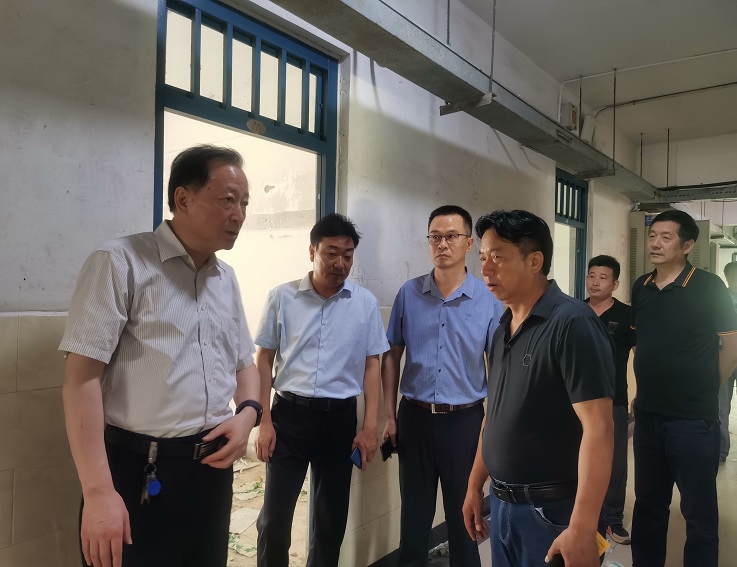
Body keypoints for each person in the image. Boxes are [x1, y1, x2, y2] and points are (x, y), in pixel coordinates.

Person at [59, 145, 262, 567]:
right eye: (228, 200)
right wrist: (98, 491)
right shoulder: (120, 263)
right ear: (183, 199)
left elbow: (244, 362)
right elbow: (81, 380)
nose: (239, 214)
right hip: (136, 471)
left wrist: (248, 414)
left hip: (211, 473)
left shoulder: (226, 279)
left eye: (244, 203)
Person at [463, 209, 615, 567]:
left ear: (535, 261)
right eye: (482, 258)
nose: (486, 270)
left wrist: (582, 526)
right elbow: (494, 414)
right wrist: (474, 485)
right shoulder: (502, 328)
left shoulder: (572, 323)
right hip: (502, 506)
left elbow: (600, 429)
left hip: (551, 512)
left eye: (498, 258)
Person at [254, 213, 389, 567]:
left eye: (348, 254)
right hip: (288, 418)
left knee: (330, 522)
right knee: (274, 522)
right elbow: (264, 360)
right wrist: (264, 421)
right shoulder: (282, 297)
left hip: (339, 420)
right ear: (312, 251)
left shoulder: (364, 303)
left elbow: (372, 365)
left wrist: (369, 427)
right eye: (332, 253)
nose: (340, 262)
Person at [382, 205, 504, 567]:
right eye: (435, 237)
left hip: (464, 422)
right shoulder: (408, 294)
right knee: (414, 516)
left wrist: (492, 423)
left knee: (465, 513)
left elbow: (499, 366)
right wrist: (389, 416)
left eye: (451, 236)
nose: (442, 244)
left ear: (468, 243)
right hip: (415, 418)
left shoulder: (488, 299)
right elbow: (392, 356)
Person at [630, 210, 737, 567]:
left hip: (692, 420)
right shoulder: (641, 286)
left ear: (687, 245)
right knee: (648, 506)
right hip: (647, 417)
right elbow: (643, 344)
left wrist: (705, 387)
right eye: (652, 236)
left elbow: (731, 348)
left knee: (698, 512)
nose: (655, 243)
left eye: (666, 237)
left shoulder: (709, 287)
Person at [586, 255, 636, 545]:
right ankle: (580, 514)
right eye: (591, 275)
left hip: (613, 399)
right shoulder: (574, 311)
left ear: (615, 284)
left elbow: (641, 354)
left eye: (603, 277)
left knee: (615, 461)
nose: (595, 282)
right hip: (577, 402)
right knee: (577, 458)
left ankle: (612, 518)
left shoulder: (628, 316)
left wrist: (641, 391)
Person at [719, 261, 737, 462]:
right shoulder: (719, 299)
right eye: (733, 277)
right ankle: (721, 450)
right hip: (724, 353)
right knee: (721, 404)